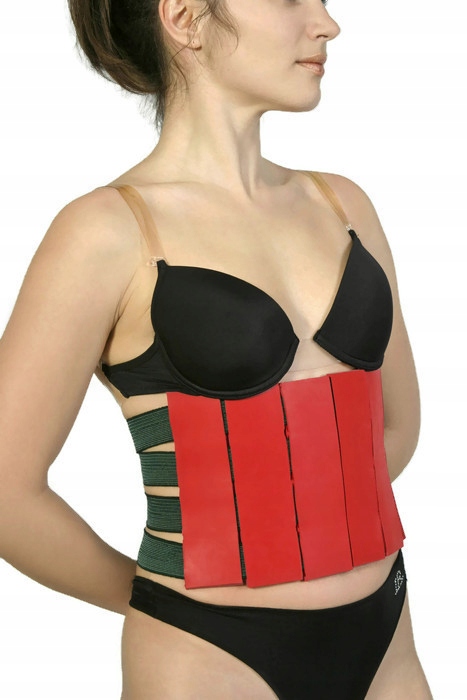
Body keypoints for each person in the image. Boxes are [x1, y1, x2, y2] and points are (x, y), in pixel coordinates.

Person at [0, 0, 433, 698]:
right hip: (210, 657)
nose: (326, 23)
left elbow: (394, 427)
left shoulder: (344, 206)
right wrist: (162, 604)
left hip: (386, 640)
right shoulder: (105, 232)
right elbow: (5, 493)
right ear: (184, 17)